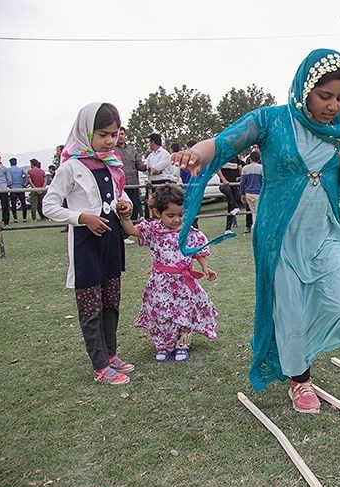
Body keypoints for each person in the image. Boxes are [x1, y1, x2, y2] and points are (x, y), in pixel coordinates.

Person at [171, 48, 340, 414]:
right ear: (304, 89)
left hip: (326, 232)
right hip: (280, 236)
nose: (333, 105)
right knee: (291, 313)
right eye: (325, 96)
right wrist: (197, 154)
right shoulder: (271, 120)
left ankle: (293, 349)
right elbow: (224, 143)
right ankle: (301, 380)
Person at [42, 102, 135, 386]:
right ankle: (99, 365)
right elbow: (49, 205)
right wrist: (82, 217)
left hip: (111, 240)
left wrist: (125, 205)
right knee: (90, 306)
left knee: (111, 302)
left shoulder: (113, 163)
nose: (109, 140)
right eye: (102, 134)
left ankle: (110, 354)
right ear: (86, 132)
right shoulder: (71, 166)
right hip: (86, 244)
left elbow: (120, 195)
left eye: (114, 134)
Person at [120, 184, 218, 362]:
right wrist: (125, 218)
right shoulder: (153, 231)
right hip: (161, 283)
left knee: (184, 313)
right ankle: (164, 345)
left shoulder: (189, 232)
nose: (177, 220)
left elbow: (197, 252)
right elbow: (131, 231)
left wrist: (205, 267)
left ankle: (182, 344)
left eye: (181, 215)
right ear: (158, 213)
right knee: (161, 313)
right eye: (171, 215)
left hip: (184, 283)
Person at [113, 126, 148, 238]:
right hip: (120, 185)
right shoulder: (112, 150)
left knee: (134, 208)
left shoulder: (132, 149)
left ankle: (129, 233)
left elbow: (139, 164)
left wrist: (146, 167)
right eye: (118, 134)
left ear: (125, 135)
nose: (120, 136)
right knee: (121, 210)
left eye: (122, 134)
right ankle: (122, 235)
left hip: (134, 183)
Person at [145, 132, 171, 218]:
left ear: (152, 142)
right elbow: (145, 168)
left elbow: (158, 168)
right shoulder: (150, 156)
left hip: (162, 183)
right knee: (151, 206)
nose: (149, 145)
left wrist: (152, 170)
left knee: (162, 206)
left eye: (149, 142)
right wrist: (152, 170)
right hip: (152, 184)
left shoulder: (165, 154)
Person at [218, 156, 244, 232]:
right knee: (228, 191)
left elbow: (240, 169)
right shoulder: (222, 156)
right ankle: (235, 206)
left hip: (234, 184)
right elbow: (217, 169)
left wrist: (240, 177)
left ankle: (228, 229)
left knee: (230, 206)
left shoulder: (235, 157)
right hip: (224, 184)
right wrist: (224, 180)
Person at [239, 149, 263, 233]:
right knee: (259, 211)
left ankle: (254, 226)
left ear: (250, 159)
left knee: (253, 211)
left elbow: (242, 183)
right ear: (259, 159)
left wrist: (242, 194)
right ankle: (257, 228)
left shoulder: (245, 168)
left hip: (248, 193)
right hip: (258, 192)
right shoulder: (261, 168)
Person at [8, 158, 28, 223]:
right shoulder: (21, 169)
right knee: (23, 203)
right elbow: (27, 175)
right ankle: (24, 218)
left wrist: (9, 184)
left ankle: (15, 218)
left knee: (13, 204)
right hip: (20, 188)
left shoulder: (9, 170)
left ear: (10, 163)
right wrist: (25, 183)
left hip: (13, 188)